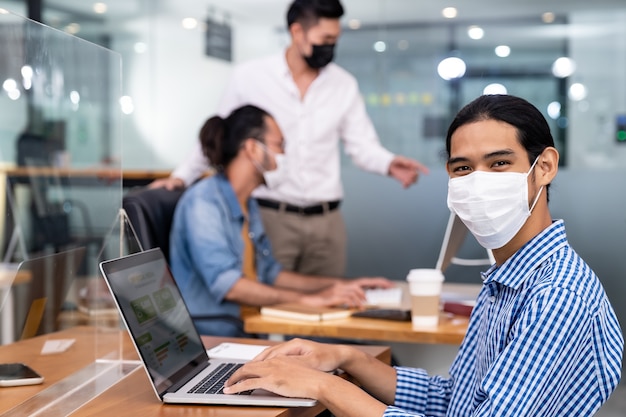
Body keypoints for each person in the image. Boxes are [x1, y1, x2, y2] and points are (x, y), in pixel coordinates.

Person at [222, 95, 624, 416]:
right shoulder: (508, 279)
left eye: (499, 163)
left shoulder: (555, 295)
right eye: (462, 168)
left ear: (545, 167)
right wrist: (344, 357)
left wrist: (324, 385)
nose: (479, 181)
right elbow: (454, 400)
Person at [152, 0, 429, 277]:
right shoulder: (251, 77)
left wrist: (389, 163)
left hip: (327, 222)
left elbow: (361, 145)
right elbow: (220, 132)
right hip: (271, 217)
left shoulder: (343, 84)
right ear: (297, 32)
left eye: (336, 40)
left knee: (329, 304)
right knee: (271, 303)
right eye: (325, 39)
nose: (331, 47)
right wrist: (182, 177)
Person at [169, 104, 393, 337]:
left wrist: (337, 286)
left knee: (357, 353)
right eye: (280, 146)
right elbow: (229, 285)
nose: (283, 156)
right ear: (252, 149)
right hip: (218, 336)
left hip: (249, 329)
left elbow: (271, 273)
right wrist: (308, 300)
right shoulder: (203, 203)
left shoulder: (249, 203)